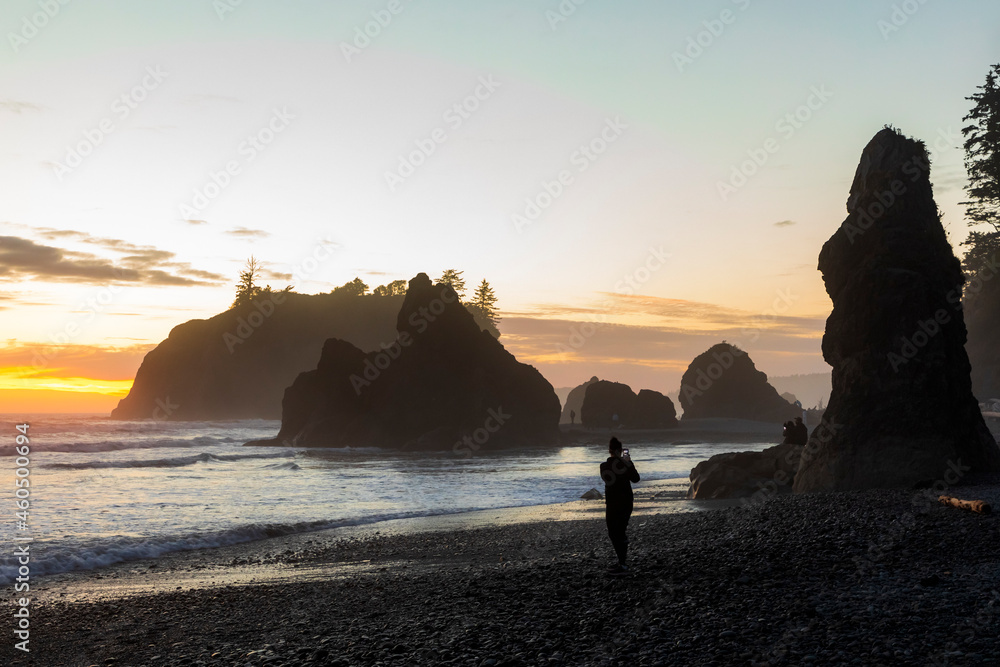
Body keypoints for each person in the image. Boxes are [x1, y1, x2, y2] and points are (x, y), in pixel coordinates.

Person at [600, 437, 640, 575]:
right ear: (620, 450)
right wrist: (628, 463)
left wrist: (625, 463)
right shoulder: (623, 465)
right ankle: (621, 562)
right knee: (619, 532)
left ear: (609, 450)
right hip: (626, 503)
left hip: (613, 504)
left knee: (614, 532)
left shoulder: (604, 466)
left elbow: (608, 479)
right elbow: (636, 479)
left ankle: (622, 564)